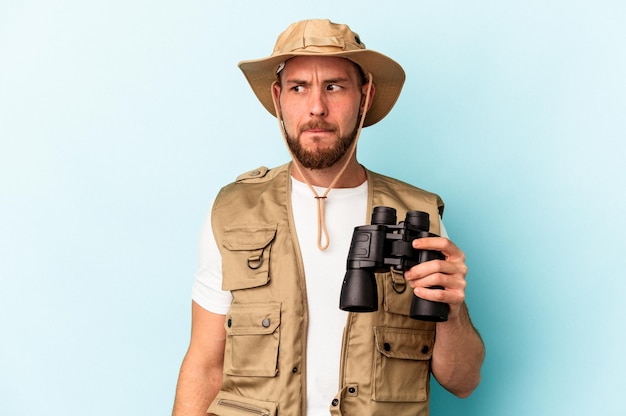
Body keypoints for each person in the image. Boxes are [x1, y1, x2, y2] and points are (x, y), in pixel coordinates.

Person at [173, 19, 485, 416]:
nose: (316, 107)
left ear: (365, 96)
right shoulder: (234, 212)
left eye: (334, 86)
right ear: (278, 97)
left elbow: (464, 382)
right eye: (298, 87)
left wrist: (452, 312)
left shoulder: (418, 218)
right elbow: (204, 365)